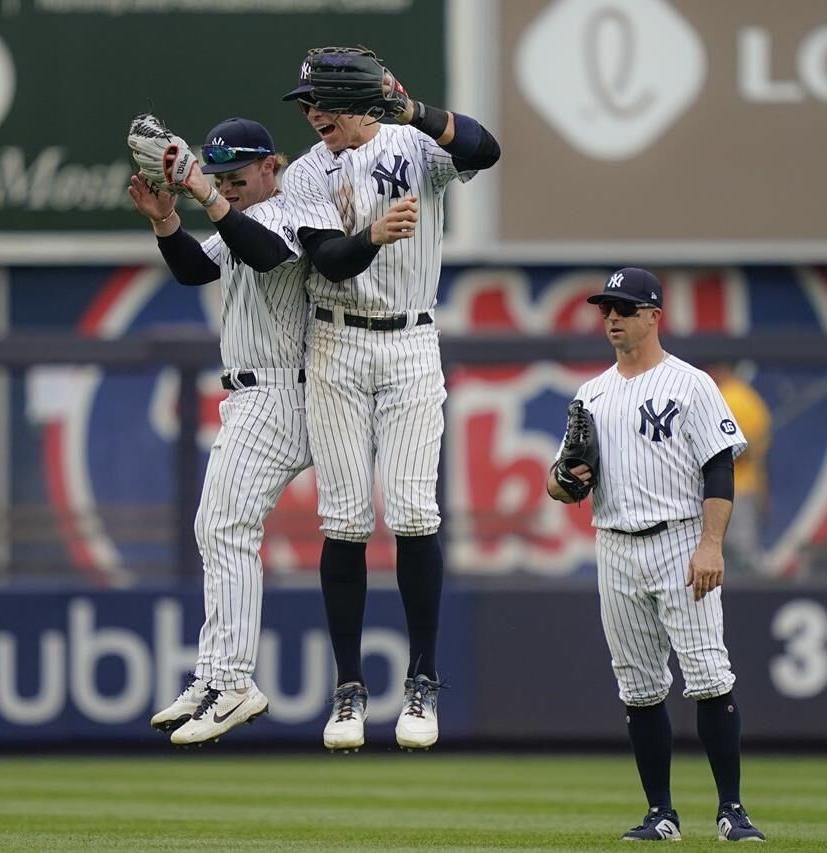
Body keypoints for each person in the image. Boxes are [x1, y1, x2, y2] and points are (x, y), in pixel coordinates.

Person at [130, 117, 410, 746]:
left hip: (285, 390)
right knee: (219, 526)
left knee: (225, 525)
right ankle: (215, 675)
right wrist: (165, 220)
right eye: (221, 175)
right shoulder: (242, 216)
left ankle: (231, 681)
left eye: (238, 175)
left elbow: (268, 253)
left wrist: (206, 194)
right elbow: (197, 271)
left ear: (270, 167)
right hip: (257, 393)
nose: (230, 185)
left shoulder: (285, 209)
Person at [280, 46, 500, 751]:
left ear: (360, 102)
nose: (313, 115)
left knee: (412, 509)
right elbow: (329, 260)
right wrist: (372, 234)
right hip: (337, 338)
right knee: (343, 518)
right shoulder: (307, 171)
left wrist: (411, 109)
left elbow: (485, 149)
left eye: (323, 102)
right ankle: (348, 688)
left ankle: (423, 677)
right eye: (308, 104)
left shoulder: (413, 143)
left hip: (410, 338)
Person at [546, 268, 766, 842]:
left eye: (624, 307)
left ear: (653, 315)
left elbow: (720, 464)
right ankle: (660, 813)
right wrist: (567, 479)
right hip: (614, 543)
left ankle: (732, 810)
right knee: (638, 687)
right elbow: (560, 482)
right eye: (605, 308)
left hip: (679, 539)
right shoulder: (590, 393)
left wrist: (710, 544)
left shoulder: (690, 384)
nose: (612, 317)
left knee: (709, 676)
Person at [708, 364, 772, 575]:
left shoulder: (729, 398)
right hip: (747, 486)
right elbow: (760, 451)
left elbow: (739, 449)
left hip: (731, 488)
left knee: (740, 554)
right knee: (742, 553)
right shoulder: (752, 399)